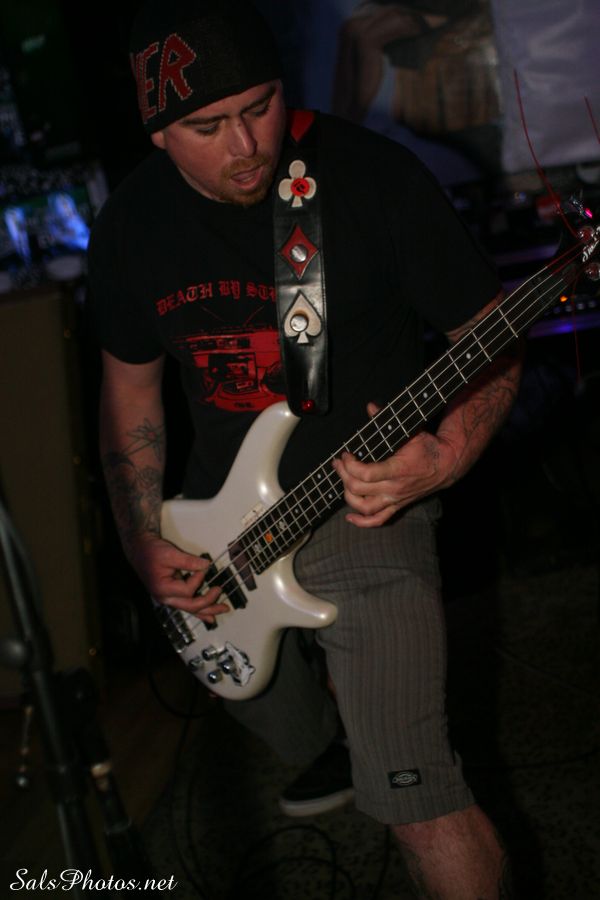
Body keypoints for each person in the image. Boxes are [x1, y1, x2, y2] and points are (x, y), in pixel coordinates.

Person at [87, 0, 521, 895]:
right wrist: (141, 537)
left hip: (367, 508)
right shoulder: (130, 226)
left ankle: (387, 749)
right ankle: (335, 726)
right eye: (208, 126)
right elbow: (130, 388)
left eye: (260, 106)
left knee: (416, 798)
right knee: (275, 717)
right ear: (158, 132)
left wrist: (446, 454)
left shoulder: (372, 179)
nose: (247, 144)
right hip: (217, 532)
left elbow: (493, 339)